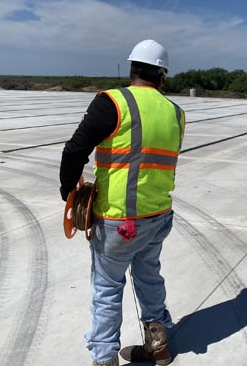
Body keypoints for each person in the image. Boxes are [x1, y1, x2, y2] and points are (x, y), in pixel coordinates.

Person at [59, 39, 185, 366]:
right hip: (158, 217)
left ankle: (104, 359)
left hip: (118, 222)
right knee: (149, 278)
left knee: (107, 289)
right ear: (162, 76)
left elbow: (74, 150)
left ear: (132, 70)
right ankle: (158, 346)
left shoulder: (113, 102)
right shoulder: (176, 112)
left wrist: (67, 191)